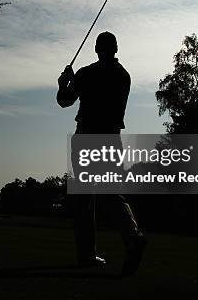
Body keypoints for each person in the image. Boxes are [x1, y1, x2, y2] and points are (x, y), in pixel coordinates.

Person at [57, 31, 147, 276]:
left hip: (86, 136)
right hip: (110, 138)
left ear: (97, 49)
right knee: (109, 193)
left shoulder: (86, 73)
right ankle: (131, 236)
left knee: (85, 200)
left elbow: (64, 101)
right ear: (116, 49)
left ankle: (88, 254)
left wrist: (63, 83)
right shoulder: (123, 76)